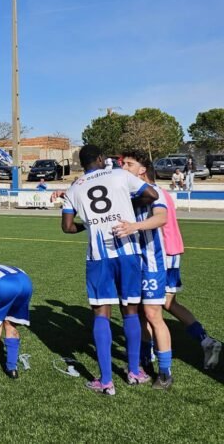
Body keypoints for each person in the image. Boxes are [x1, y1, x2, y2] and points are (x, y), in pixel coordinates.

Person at [57, 144, 158, 395]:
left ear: (82, 163)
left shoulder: (74, 188)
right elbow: (152, 195)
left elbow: (67, 227)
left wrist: (88, 226)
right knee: (130, 310)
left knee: (101, 312)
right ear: (101, 159)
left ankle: (105, 381)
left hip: (98, 256)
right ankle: (134, 371)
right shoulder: (120, 175)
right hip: (127, 251)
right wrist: (128, 207)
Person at [114, 151, 173, 390]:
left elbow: (162, 217)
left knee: (152, 315)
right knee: (135, 313)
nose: (124, 167)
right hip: (130, 263)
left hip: (151, 262)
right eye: (123, 163)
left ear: (141, 169)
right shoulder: (123, 194)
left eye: (130, 164)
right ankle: (143, 358)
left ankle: (165, 371)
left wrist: (134, 226)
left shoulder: (152, 191)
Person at [157, 171, 221, 369]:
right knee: (167, 303)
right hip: (172, 251)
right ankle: (206, 341)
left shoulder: (151, 193)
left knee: (150, 305)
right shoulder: (160, 192)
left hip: (163, 253)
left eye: (129, 164)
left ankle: (148, 352)